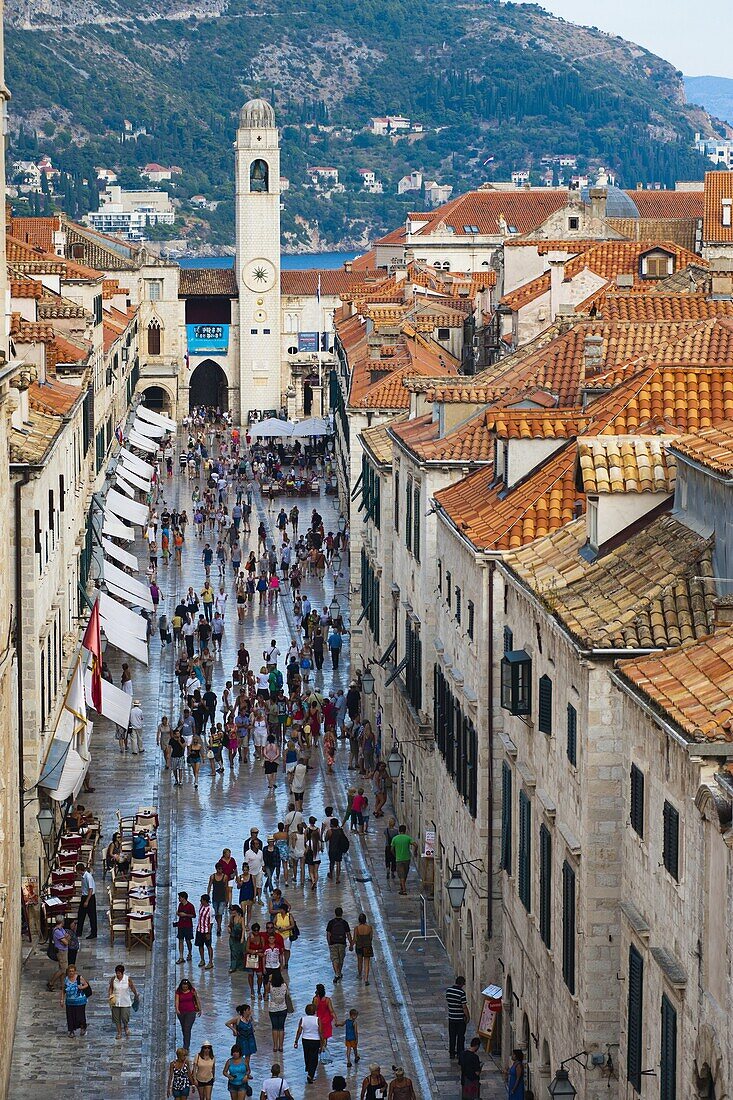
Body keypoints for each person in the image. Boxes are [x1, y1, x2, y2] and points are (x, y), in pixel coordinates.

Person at [294, 1003, 323, 1084]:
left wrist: (296, 1041)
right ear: (315, 1011)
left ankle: (308, 1069)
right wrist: (322, 1043)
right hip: (315, 1040)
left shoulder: (303, 1019)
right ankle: (311, 1073)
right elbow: (320, 1032)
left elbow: (299, 1031)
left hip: (305, 1040)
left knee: (307, 1055)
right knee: (314, 1058)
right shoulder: (317, 1019)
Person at [108, 964, 138, 1039]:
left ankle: (125, 1026)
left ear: (122, 973)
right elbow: (111, 988)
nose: (118, 974)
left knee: (125, 1017)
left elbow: (132, 987)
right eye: (117, 973)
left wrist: (136, 994)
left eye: (119, 973)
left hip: (125, 1002)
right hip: (116, 1002)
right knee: (116, 1018)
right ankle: (119, 1032)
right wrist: (110, 995)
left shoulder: (127, 979)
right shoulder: (113, 979)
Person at [61, 963, 90, 1037]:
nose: (71, 973)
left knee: (80, 1015)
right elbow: (63, 989)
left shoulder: (79, 978)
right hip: (70, 1001)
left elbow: (86, 984)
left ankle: (83, 1027)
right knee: (70, 1016)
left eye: (72, 971)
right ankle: (71, 1031)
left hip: (80, 1001)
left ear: (75, 971)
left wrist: (81, 988)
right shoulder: (66, 979)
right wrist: (62, 999)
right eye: (70, 971)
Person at [326, 906, 353, 983]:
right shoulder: (345, 923)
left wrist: (329, 943)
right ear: (342, 913)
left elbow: (328, 934)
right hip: (342, 943)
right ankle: (339, 973)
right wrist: (351, 944)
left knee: (334, 959)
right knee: (341, 959)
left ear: (335, 913)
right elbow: (348, 934)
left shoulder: (331, 922)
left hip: (333, 943)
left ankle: (336, 974)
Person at [226, 1003, 257, 1070]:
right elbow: (227, 1023)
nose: (250, 1011)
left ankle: (247, 1070)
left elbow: (253, 1025)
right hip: (242, 1039)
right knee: (240, 1055)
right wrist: (234, 1030)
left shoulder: (250, 1018)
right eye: (248, 1010)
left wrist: (253, 1028)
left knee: (248, 1057)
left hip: (250, 1038)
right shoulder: (238, 1018)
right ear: (244, 1011)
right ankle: (239, 1069)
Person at [446, 975, 470, 1059]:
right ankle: (460, 1052)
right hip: (460, 1019)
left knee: (452, 1036)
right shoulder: (461, 993)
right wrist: (468, 1016)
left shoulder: (448, 991)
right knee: (460, 1036)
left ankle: (452, 1053)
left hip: (451, 1018)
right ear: (461, 984)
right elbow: (464, 1006)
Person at [175, 977, 201, 1050]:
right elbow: (177, 1001)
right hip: (181, 1012)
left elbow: (196, 999)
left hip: (191, 1012)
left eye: (186, 987)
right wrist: (177, 1009)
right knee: (184, 1028)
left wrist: (199, 1009)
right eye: (183, 987)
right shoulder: (178, 991)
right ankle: (186, 1041)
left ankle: (186, 1046)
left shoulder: (192, 991)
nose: (185, 988)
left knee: (187, 1028)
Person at [267, 971, 289, 1053]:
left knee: (274, 1027)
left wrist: (269, 980)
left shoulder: (271, 986)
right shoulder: (284, 986)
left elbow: (266, 991)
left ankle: (275, 1046)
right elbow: (286, 993)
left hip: (273, 1009)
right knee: (281, 1028)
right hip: (283, 1008)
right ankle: (281, 1046)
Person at [313, 983, 338, 1056]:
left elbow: (314, 1009)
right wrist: (336, 1020)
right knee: (325, 1037)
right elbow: (331, 1011)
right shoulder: (327, 1000)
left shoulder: (315, 999)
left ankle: (320, 1048)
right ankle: (323, 1048)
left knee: (319, 1036)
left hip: (318, 1020)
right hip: (326, 1020)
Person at [390, 826, 416, 895]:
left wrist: (395, 855)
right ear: (405, 830)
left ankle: (404, 890)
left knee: (401, 874)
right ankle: (402, 885)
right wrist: (415, 852)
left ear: (399, 830)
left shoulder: (395, 839)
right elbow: (415, 845)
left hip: (399, 859)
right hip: (407, 858)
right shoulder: (408, 838)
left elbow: (392, 849)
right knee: (405, 873)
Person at [46, 915, 70, 991]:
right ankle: (51, 983)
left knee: (62, 968)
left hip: (64, 950)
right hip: (61, 951)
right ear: (62, 922)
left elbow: (66, 936)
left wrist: (66, 938)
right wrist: (67, 938)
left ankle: (63, 985)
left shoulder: (61, 929)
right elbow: (66, 942)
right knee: (63, 969)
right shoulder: (57, 931)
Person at [76, 861, 97, 938]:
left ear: (79, 870)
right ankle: (78, 932)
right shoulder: (83, 876)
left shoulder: (88, 877)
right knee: (81, 915)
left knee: (92, 916)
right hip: (84, 896)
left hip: (89, 897)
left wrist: (87, 901)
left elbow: (91, 890)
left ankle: (94, 933)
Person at [176, 891, 196, 963]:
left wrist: (185, 915)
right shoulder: (180, 905)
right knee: (180, 940)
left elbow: (194, 915)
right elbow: (179, 913)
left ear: (183, 898)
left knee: (188, 940)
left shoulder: (190, 906)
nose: (179, 898)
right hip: (181, 925)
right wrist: (178, 914)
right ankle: (181, 956)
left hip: (188, 926)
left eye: (180, 897)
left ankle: (190, 953)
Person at [354, 914, 374, 985]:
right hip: (367, 946)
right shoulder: (370, 928)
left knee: (360, 962)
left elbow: (355, 939)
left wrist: (351, 945)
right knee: (367, 963)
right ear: (365, 920)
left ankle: (360, 975)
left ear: (359, 920)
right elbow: (371, 938)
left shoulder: (356, 928)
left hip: (359, 946)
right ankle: (366, 979)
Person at [196, 893, 214, 968]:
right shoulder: (201, 906)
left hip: (206, 931)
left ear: (205, 900)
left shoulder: (211, 910)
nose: (200, 901)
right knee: (200, 945)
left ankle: (210, 961)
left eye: (201, 900)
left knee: (208, 946)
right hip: (199, 929)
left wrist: (209, 933)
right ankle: (202, 959)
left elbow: (211, 923)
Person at [229, 904, 247, 972]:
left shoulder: (241, 918)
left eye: (232, 910)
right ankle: (233, 967)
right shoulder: (231, 918)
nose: (231, 912)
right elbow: (230, 925)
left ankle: (240, 966)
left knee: (241, 952)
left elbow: (243, 929)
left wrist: (242, 938)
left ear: (236, 911)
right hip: (232, 937)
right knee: (233, 952)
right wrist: (229, 929)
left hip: (239, 937)